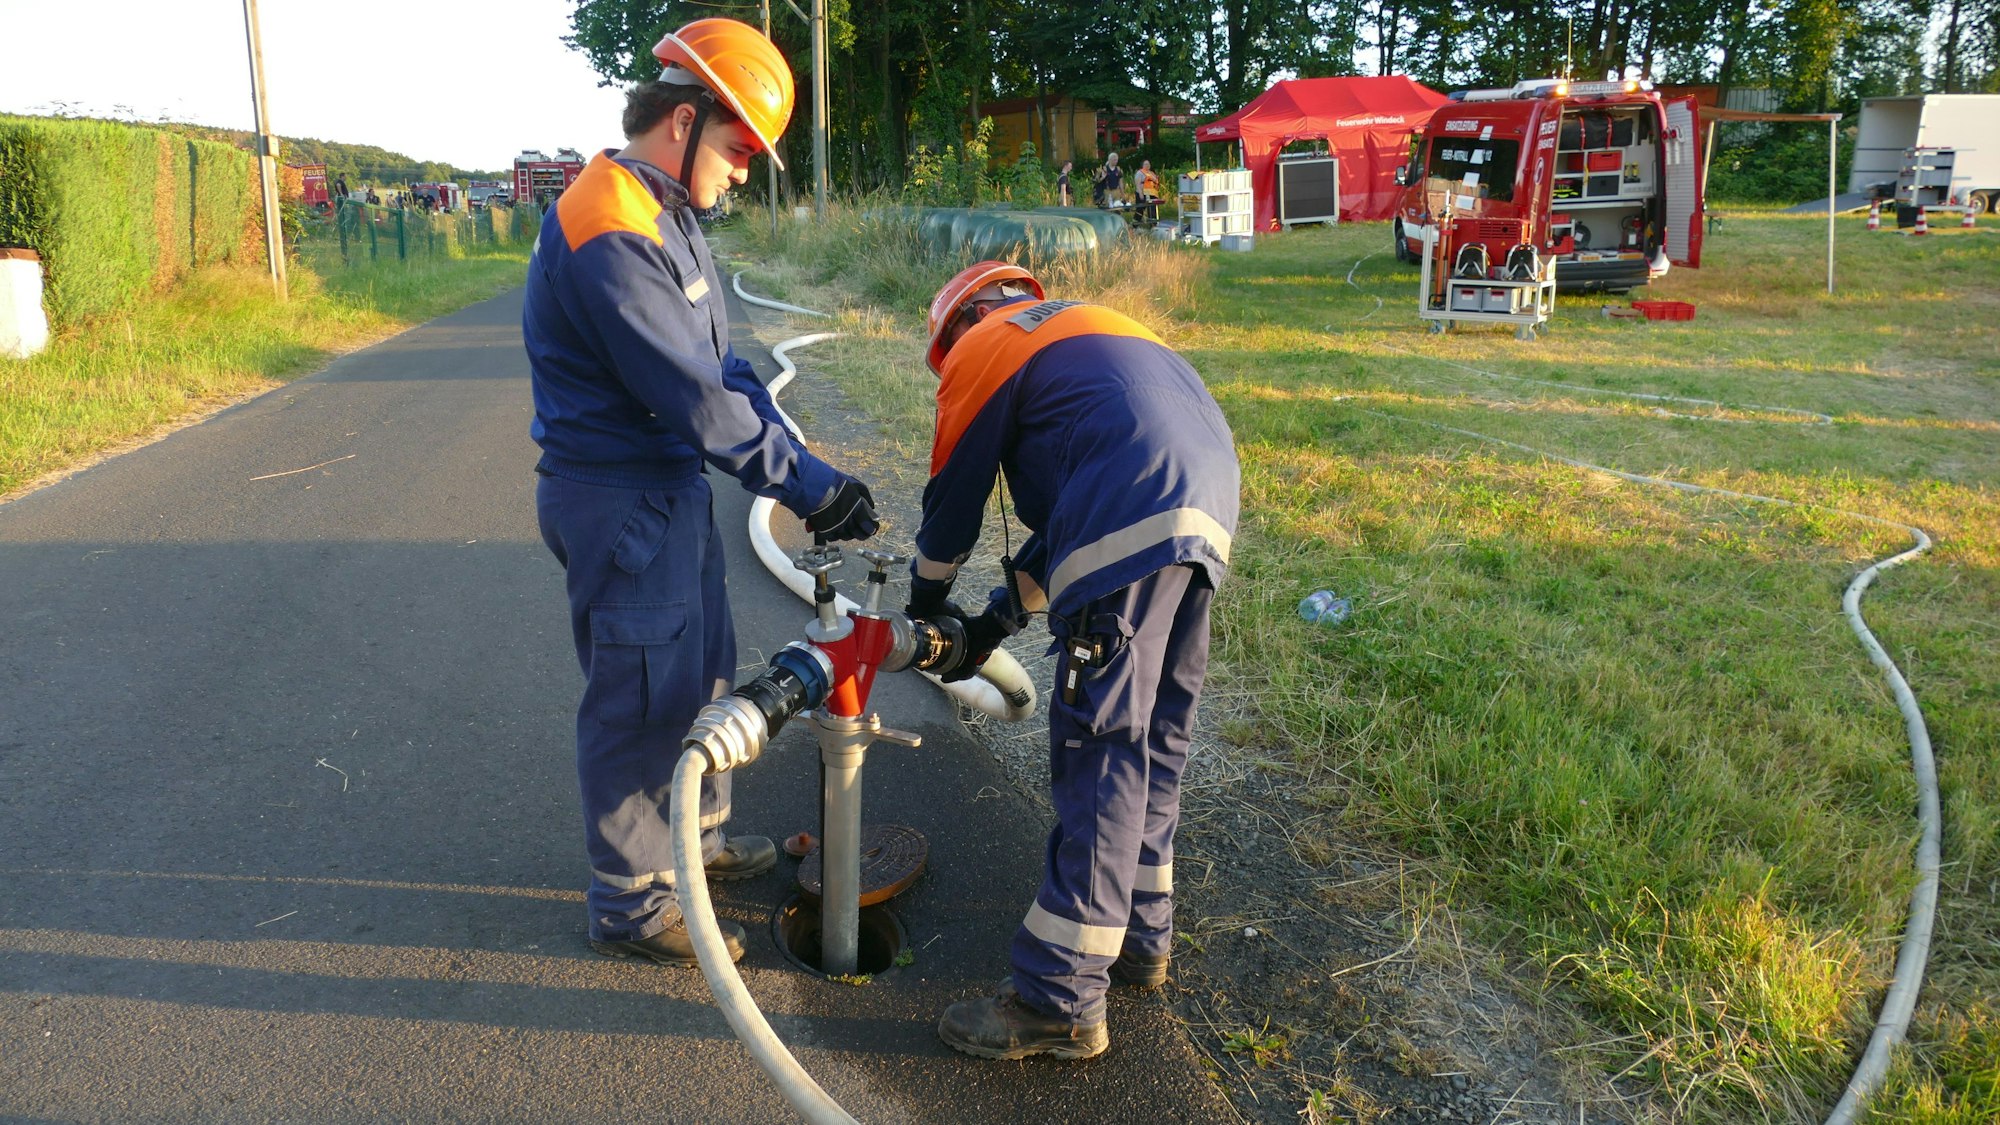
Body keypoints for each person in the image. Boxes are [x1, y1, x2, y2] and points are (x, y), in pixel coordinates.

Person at [523, 17, 880, 969]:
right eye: (737, 149)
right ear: (682, 120)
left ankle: (696, 840)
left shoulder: (666, 212)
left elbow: (721, 362)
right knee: (641, 697)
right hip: (619, 496)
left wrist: (806, 459)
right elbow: (691, 398)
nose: (743, 173)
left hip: (665, 491)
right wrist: (805, 486)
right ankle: (634, 900)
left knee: (700, 666)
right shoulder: (612, 226)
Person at [908, 262, 1239, 1060]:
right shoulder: (1094, 331)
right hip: (1204, 505)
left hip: (1132, 503)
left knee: (1100, 752)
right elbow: (1076, 526)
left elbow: (951, 505)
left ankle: (1058, 996)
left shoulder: (988, 342)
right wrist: (991, 623)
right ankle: (1140, 939)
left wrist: (927, 607)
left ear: (965, 318)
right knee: (1155, 740)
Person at [1135, 159, 1162, 224]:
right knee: (1140, 210)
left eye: (1148, 164)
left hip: (1153, 195)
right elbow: (1137, 183)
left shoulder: (1152, 173)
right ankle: (1134, 225)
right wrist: (1140, 194)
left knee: (1152, 210)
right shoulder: (1140, 173)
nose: (1147, 165)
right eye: (1146, 164)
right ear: (1142, 165)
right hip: (1143, 194)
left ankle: (1153, 225)